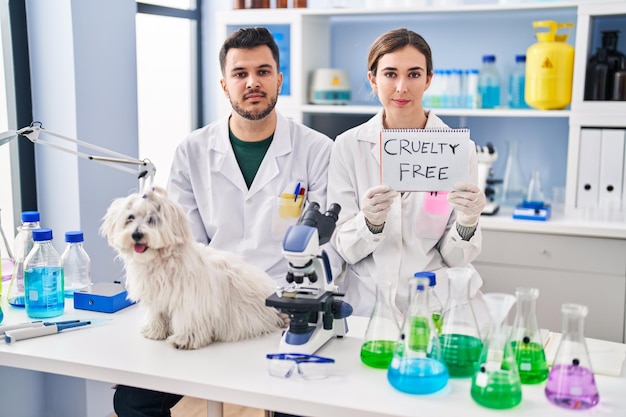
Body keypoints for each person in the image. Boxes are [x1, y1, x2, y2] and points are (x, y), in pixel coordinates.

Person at [113, 27, 334, 417]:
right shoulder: (192, 151)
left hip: (288, 302)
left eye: (264, 71)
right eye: (240, 73)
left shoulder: (316, 149)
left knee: (296, 410)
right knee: (132, 402)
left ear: (279, 79)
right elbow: (183, 245)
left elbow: (325, 241)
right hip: (209, 297)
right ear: (224, 83)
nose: (253, 82)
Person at [327, 28, 487, 319]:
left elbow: (456, 257)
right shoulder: (348, 147)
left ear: (428, 80)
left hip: (438, 304)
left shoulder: (459, 150)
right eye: (390, 74)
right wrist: (369, 223)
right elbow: (345, 249)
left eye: (414, 74)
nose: (401, 87)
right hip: (368, 304)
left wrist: (468, 221)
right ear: (372, 79)